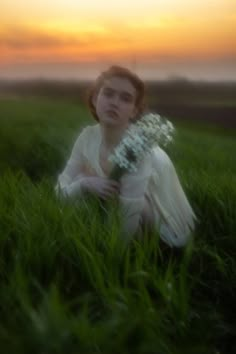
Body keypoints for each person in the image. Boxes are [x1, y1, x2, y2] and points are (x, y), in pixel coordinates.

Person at [55, 65, 197, 247]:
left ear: (135, 111)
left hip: (159, 219)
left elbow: (128, 218)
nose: (114, 102)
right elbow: (60, 190)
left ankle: (147, 255)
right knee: (83, 178)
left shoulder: (137, 149)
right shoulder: (87, 137)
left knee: (119, 196)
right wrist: (84, 185)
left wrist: (110, 258)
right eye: (108, 93)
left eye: (126, 98)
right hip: (118, 208)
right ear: (94, 98)